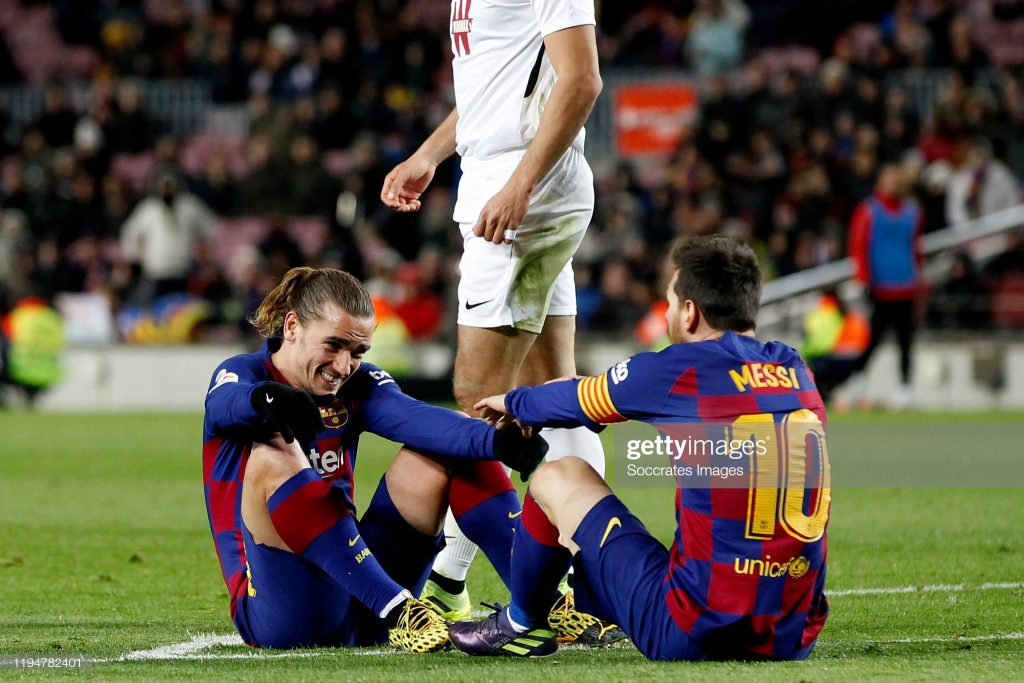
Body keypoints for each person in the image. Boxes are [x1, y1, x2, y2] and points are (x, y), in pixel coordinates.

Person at [449, 236, 831, 661]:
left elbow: (570, 399)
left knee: (558, 474)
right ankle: (590, 597)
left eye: (669, 301)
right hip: (792, 635)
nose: (667, 312)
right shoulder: (796, 370)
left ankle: (520, 622)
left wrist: (510, 402)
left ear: (689, 311)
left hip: (690, 632)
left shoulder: (677, 367)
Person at [379, 0, 612, 641]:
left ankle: (509, 588)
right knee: (553, 395)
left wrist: (520, 185)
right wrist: (430, 154)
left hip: (520, 196)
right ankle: (583, 586)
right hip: (502, 182)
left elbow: (582, 79)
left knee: (478, 399)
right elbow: (492, 93)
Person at [202, 267, 549, 652]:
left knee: (457, 441)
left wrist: (497, 442)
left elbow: (418, 419)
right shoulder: (243, 374)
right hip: (284, 609)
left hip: (359, 593)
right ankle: (401, 611)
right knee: (273, 451)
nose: (343, 366)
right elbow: (223, 406)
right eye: (333, 345)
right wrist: (267, 400)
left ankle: (538, 604)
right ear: (292, 326)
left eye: (357, 352)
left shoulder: (358, 384)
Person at [848, 162, 924, 410]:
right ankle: (857, 381)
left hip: (906, 285)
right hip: (880, 286)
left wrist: (918, 279)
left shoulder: (912, 212)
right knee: (874, 338)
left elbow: (916, 249)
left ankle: (904, 388)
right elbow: (858, 247)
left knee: (906, 340)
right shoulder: (869, 210)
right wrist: (863, 279)